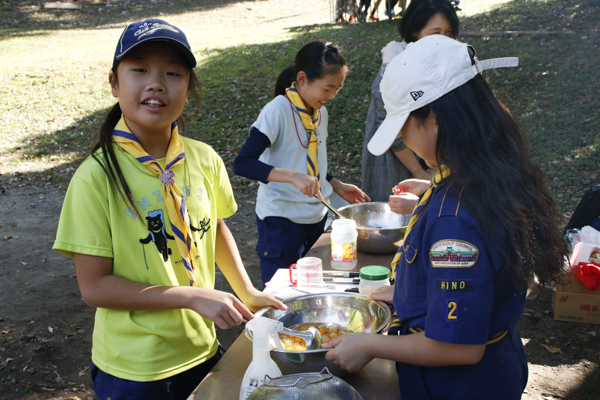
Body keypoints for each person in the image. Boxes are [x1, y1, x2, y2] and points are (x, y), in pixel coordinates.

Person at [324, 35, 568, 399]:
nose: (404, 140)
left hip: (458, 387)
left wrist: (368, 345)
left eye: (403, 126)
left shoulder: (454, 222)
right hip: (497, 367)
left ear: (434, 118)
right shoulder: (488, 173)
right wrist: (409, 293)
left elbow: (458, 346)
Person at [53, 19, 285, 400]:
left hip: (201, 350)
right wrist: (189, 296)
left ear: (188, 88)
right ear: (114, 82)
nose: (157, 83)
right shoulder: (94, 178)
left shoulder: (204, 159)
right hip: (134, 369)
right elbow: (94, 287)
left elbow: (214, 229)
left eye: (173, 73)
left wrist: (246, 290)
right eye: (140, 69)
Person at [234, 40, 370, 286]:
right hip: (281, 221)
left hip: (315, 218)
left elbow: (310, 161)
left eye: (337, 89)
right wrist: (292, 177)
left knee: (313, 289)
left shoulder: (320, 113)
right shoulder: (277, 110)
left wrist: (335, 183)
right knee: (283, 292)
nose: (332, 96)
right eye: (327, 88)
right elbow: (243, 163)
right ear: (303, 79)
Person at [361, 0, 459, 205]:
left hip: (435, 163)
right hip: (398, 162)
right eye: (435, 33)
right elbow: (387, 126)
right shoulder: (396, 63)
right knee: (397, 222)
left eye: (448, 33)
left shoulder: (448, 65)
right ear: (415, 31)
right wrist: (419, 172)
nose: (444, 40)